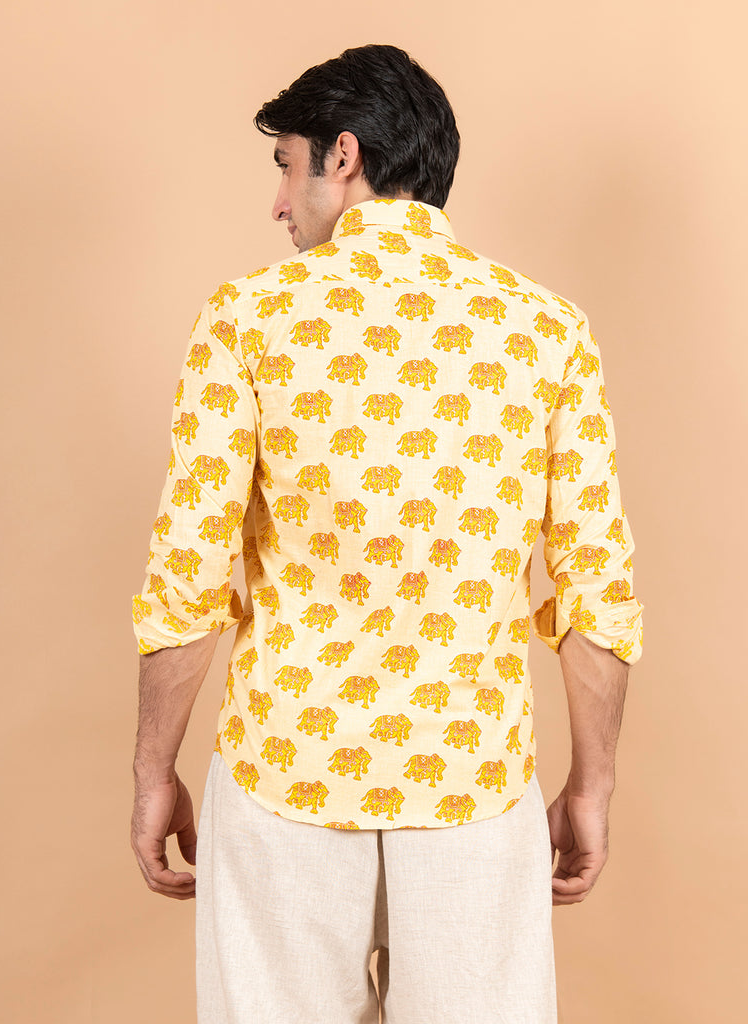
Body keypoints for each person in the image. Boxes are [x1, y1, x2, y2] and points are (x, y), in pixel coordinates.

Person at [130, 43, 643, 1024]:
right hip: (472, 793)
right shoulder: (547, 332)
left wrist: (155, 771)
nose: (279, 204)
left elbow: (187, 576)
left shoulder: (247, 320)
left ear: (344, 155)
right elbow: (597, 591)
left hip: (284, 778)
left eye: (286, 165)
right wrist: (592, 785)